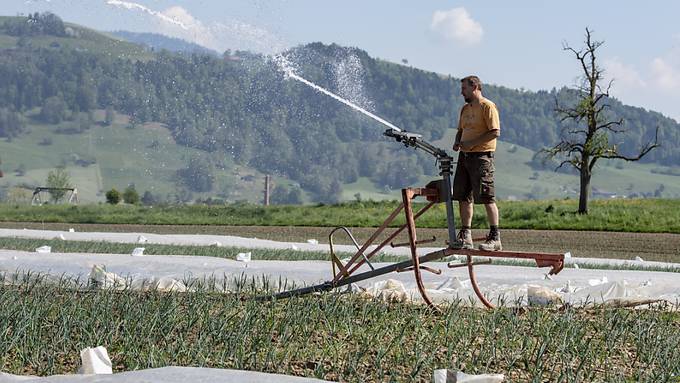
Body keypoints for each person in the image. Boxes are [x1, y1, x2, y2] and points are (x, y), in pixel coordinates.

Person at [451, 75, 501, 251]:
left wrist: (472, 143)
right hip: (464, 157)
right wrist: (458, 142)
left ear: (475, 87)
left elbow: (495, 132)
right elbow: (460, 130)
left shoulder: (487, 106)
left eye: (464, 88)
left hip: (482, 157)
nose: (461, 92)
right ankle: (466, 235)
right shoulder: (465, 109)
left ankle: (495, 237)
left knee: (487, 196)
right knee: (463, 196)